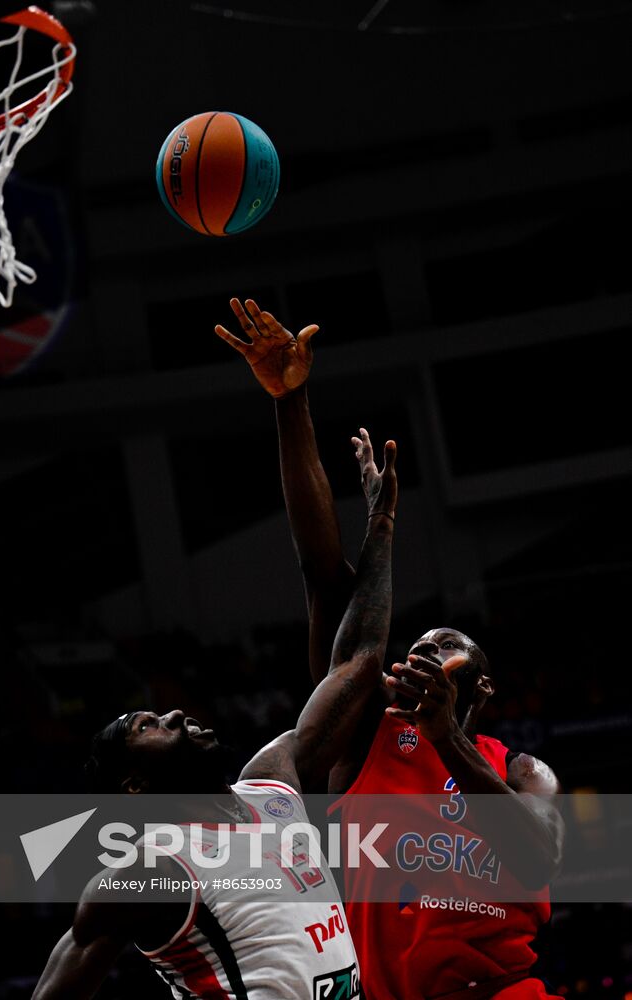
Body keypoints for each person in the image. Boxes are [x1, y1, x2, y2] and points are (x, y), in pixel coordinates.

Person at [217, 298, 565, 1000]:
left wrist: (446, 740)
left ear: (484, 692)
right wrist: (290, 402)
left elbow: (532, 859)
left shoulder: (521, 772)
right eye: (418, 645)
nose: (424, 653)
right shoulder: (362, 737)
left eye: (447, 649)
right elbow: (322, 575)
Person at [30, 345, 399, 999]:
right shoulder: (144, 869)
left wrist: (296, 409)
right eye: (146, 724)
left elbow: (357, 658)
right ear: (135, 785)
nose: (171, 713)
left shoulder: (273, 782)